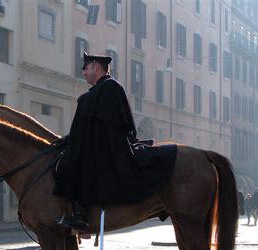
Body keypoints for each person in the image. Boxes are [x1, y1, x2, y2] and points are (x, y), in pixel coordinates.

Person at [54, 52, 176, 231]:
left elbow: (108, 126)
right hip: (99, 144)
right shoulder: (98, 90)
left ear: (96, 66)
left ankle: (80, 214)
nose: (83, 72)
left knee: (74, 164)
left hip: (110, 147)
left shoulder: (109, 88)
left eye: (86, 68)